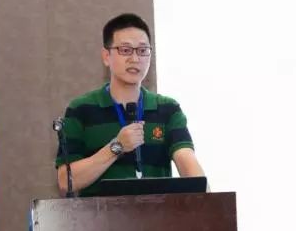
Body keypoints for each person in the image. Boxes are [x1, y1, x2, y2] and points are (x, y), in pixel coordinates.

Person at [56, 13, 205, 196]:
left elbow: (186, 159)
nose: (135, 59)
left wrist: (209, 199)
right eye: (125, 50)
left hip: (158, 213)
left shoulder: (167, 109)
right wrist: (116, 147)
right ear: (106, 56)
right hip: (99, 214)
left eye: (142, 50)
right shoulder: (81, 109)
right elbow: (66, 181)